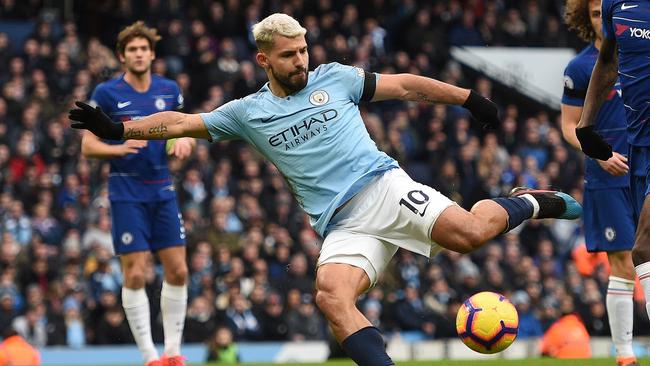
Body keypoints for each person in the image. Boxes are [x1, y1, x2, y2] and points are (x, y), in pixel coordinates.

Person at [70, 13, 582, 366]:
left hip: (383, 187)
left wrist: (468, 98)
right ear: (263, 60)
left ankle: (531, 200)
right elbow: (181, 121)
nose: (301, 60)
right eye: (289, 55)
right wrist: (122, 130)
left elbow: (404, 85)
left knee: (469, 233)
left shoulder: (334, 78)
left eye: (304, 50)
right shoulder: (246, 114)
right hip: (342, 223)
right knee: (331, 298)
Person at [80, 21, 194, 366]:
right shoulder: (106, 93)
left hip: (162, 189)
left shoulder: (169, 89)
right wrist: (119, 147)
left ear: (152, 53)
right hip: (126, 191)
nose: (139, 54)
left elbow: (181, 128)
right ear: (122, 56)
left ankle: (172, 353)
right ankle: (149, 356)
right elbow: (87, 145)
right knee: (135, 273)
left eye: (144, 48)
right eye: (132, 49)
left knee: (178, 271)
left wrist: (184, 140)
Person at [561, 1, 638, 365]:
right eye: (594, 13)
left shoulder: (639, 53)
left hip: (643, 168)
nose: (601, 19)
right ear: (586, 18)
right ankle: (625, 354)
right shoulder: (579, 68)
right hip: (606, 179)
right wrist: (598, 154)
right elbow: (568, 126)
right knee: (621, 260)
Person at [576, 0, 650, 349]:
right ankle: (625, 354)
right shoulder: (615, 5)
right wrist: (585, 124)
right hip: (636, 152)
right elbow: (608, 60)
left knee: (642, 248)